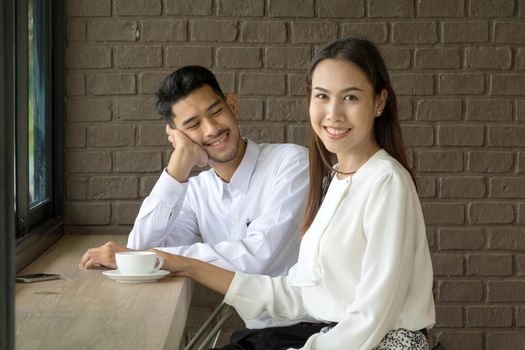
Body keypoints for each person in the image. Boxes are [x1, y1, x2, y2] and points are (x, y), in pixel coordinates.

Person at [152, 38, 436, 350]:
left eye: (350, 97)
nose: (333, 113)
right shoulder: (334, 181)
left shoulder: (387, 181)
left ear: (379, 102)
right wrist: (184, 264)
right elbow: (299, 293)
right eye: (322, 97)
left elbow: (371, 317)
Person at [79, 66, 310, 327]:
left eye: (216, 112)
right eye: (193, 125)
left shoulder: (292, 163)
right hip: (260, 336)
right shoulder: (196, 191)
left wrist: (164, 259)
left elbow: (257, 258)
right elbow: (140, 249)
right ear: (178, 136)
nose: (212, 129)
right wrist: (177, 167)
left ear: (232, 105)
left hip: (312, 331)